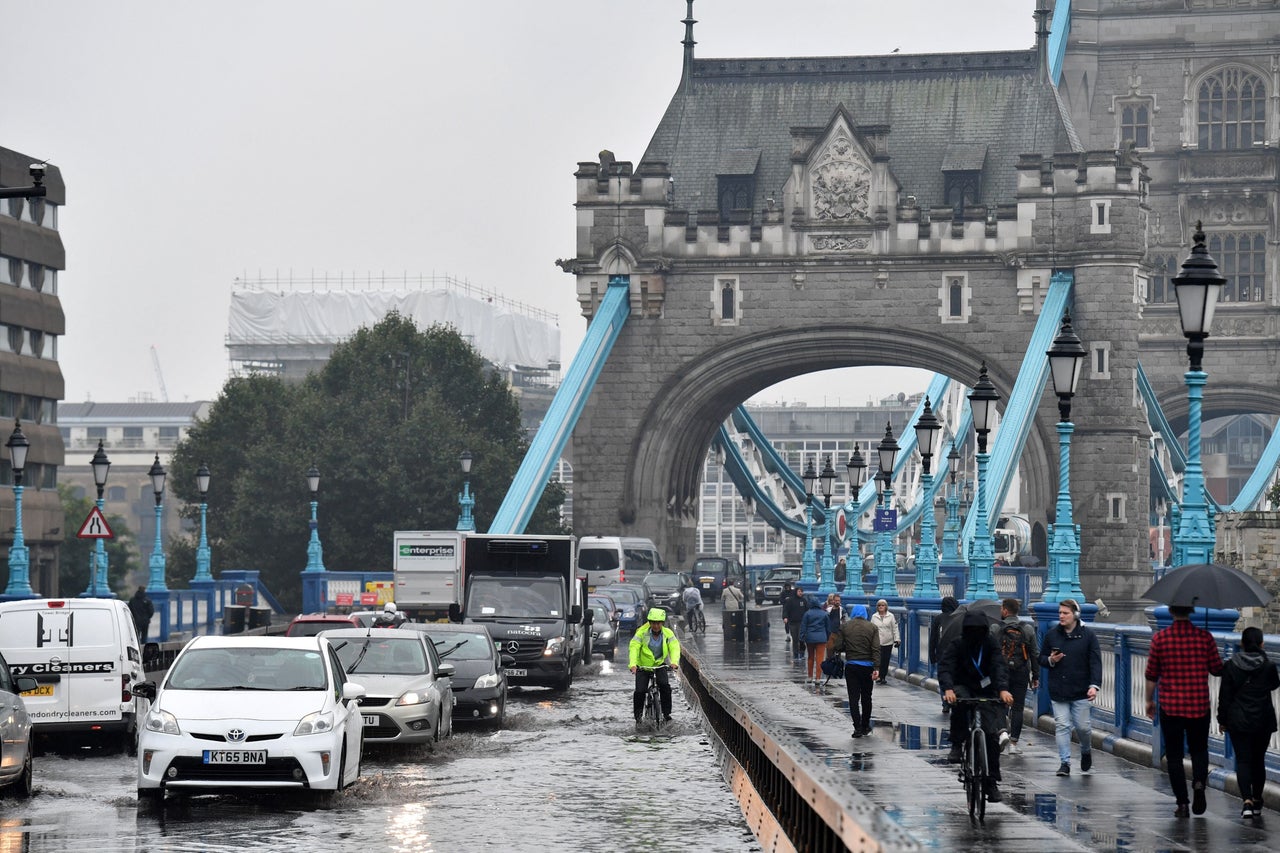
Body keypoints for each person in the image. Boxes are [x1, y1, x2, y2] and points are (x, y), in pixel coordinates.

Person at [1144, 604, 1224, 817]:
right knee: (1199, 750)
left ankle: (1182, 803)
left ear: (1171, 612)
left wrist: (1149, 700)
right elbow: (1217, 669)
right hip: (1199, 705)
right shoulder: (1204, 637)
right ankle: (1199, 784)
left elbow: (1151, 675)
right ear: (1191, 611)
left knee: (1174, 756)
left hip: (1171, 707)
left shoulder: (1160, 639)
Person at [939, 611, 1014, 803]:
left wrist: (1003, 690)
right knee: (959, 706)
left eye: (979, 629)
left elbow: (999, 666)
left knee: (991, 736)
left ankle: (991, 782)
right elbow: (946, 666)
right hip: (962, 687)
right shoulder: (957, 644)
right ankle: (956, 744)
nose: (975, 633)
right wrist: (948, 689)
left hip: (986, 690)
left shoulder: (991, 644)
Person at [1217, 626, 1279, 820]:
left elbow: (1224, 696)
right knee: (1258, 760)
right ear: (1262, 643)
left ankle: (1246, 802)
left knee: (1243, 760)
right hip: (1262, 719)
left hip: (1238, 719)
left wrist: (1222, 719)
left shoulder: (1230, 665)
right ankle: (1257, 799)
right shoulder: (1268, 666)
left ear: (1242, 644)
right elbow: (1274, 684)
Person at [1041, 598, 1102, 778]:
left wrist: (1094, 686)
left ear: (1075, 615)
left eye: (1065, 613)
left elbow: (1095, 663)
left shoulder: (1088, 636)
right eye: (1060, 612)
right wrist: (1051, 660)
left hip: (1081, 689)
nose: (1061, 616)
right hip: (1058, 688)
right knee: (1062, 725)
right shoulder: (1052, 635)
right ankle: (1065, 763)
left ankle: (1085, 750)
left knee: (1083, 728)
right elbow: (1041, 658)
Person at [991, 597, 1038, 755]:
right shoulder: (1027, 629)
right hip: (1021, 671)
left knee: (999, 703)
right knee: (1018, 707)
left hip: (1001, 672)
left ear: (1005, 610)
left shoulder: (996, 628)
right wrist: (1035, 676)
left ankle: (1002, 732)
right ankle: (1013, 745)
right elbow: (1034, 654)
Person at [828, 603, 879, 737]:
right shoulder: (872, 627)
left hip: (852, 666)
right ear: (865, 613)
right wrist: (877, 668)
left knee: (853, 698)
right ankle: (865, 725)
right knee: (866, 698)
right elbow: (876, 649)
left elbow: (838, 646)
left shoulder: (845, 627)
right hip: (867, 667)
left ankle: (857, 727)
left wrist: (848, 648)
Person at [629, 607, 681, 725]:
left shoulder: (668, 633)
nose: (655, 626)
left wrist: (674, 662)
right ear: (650, 623)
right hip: (643, 667)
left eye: (658, 623)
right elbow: (634, 648)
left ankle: (667, 714)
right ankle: (638, 717)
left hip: (659, 665)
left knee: (665, 687)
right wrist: (633, 665)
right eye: (653, 623)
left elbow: (674, 647)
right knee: (640, 691)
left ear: (662, 623)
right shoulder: (641, 633)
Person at [928, 596, 960, 713]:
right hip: (957, 654)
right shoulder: (959, 618)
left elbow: (933, 639)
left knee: (943, 679)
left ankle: (945, 702)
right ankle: (955, 699)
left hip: (942, 654)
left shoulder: (938, 618)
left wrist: (932, 656)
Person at [800, 594, 832, 686]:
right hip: (821, 639)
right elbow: (828, 628)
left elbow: (803, 627)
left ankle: (810, 676)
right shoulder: (824, 613)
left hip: (809, 638)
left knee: (810, 657)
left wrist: (801, 638)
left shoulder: (807, 614)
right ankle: (818, 678)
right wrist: (827, 637)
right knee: (819, 659)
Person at [870, 599, 899, 685]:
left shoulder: (891, 616)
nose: (881, 607)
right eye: (879, 605)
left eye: (883, 605)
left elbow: (895, 628)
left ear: (886, 607)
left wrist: (897, 639)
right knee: (878, 660)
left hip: (888, 641)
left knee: (885, 660)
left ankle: (883, 676)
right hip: (877, 641)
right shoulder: (874, 617)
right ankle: (878, 675)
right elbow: (871, 629)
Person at [783, 586, 807, 662]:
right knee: (795, 639)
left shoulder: (804, 601)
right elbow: (786, 610)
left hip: (801, 622)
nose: (800, 593)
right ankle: (796, 654)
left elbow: (807, 610)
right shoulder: (790, 600)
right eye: (799, 591)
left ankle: (802, 653)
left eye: (801, 591)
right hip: (792, 623)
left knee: (801, 639)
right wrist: (785, 617)